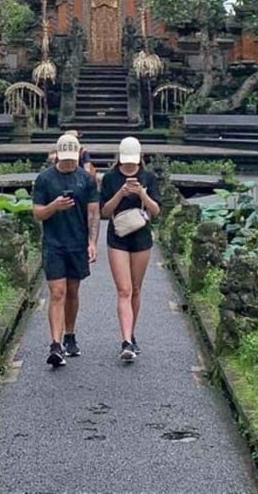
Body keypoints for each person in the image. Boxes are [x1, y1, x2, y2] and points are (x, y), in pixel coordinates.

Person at [32, 131, 99, 367]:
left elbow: (93, 213)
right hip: (54, 242)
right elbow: (38, 212)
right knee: (57, 292)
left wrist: (92, 242)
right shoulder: (45, 179)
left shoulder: (86, 180)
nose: (70, 163)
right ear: (58, 155)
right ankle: (55, 343)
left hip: (77, 241)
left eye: (73, 158)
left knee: (72, 291)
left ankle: (69, 334)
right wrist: (54, 206)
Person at [99, 136, 161, 361]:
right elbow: (104, 212)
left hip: (141, 237)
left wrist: (142, 193)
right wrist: (121, 193)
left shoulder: (148, 177)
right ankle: (125, 340)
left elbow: (156, 211)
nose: (129, 167)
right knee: (123, 289)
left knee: (135, 288)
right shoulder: (110, 178)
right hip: (118, 236)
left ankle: (131, 333)